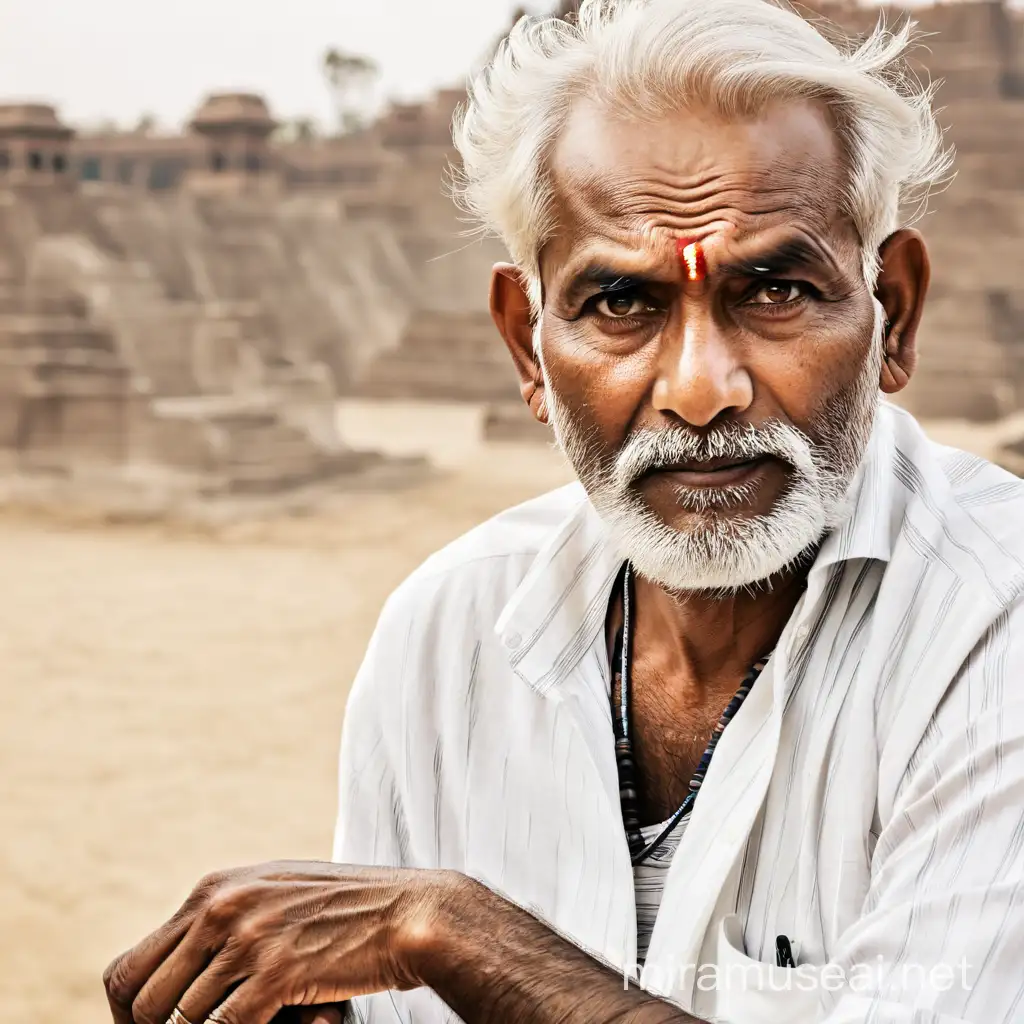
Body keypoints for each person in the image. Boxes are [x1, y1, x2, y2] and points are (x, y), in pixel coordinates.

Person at [103, 1, 1024, 1022]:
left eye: (774, 290)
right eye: (621, 305)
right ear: (524, 347)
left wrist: (455, 932)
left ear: (892, 312)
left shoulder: (995, 620)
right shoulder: (445, 636)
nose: (700, 388)